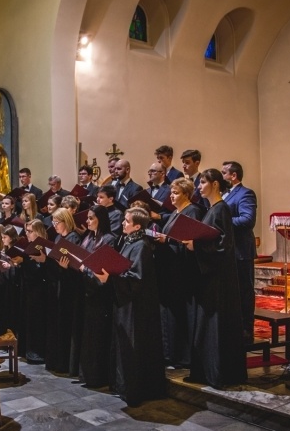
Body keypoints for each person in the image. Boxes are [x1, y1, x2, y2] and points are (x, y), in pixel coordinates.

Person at [94, 207, 166, 406]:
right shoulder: (129, 241)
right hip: (125, 303)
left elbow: (136, 278)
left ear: (137, 226)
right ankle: (122, 385)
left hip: (137, 307)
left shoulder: (141, 245)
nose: (123, 224)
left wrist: (111, 278)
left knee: (134, 346)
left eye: (126, 221)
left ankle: (136, 389)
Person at [187, 169, 247, 388]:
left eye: (202, 183)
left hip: (218, 280)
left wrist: (197, 245)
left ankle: (218, 373)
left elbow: (224, 245)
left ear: (214, 184)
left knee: (216, 325)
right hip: (209, 277)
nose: (199, 187)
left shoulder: (221, 209)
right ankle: (205, 372)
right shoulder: (211, 209)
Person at [154, 177, 202, 367]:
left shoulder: (192, 211)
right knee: (170, 314)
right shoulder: (175, 212)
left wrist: (168, 240)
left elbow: (189, 240)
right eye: (171, 193)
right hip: (170, 268)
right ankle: (170, 353)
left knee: (180, 314)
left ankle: (182, 356)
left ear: (187, 194)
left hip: (182, 270)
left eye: (175, 193)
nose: (171, 197)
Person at [77, 205, 116, 387]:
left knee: (98, 335)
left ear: (100, 219)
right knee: (88, 336)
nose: (88, 221)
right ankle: (86, 375)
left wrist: (86, 269)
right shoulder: (88, 238)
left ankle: (98, 376)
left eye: (91, 218)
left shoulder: (108, 239)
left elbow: (105, 267)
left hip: (100, 294)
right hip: (86, 291)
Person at [221, 161, 258, 342]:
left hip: (241, 250)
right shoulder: (223, 195)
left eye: (224, 173)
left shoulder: (245, 193)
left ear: (233, 175)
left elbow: (247, 220)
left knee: (244, 291)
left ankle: (246, 329)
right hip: (228, 250)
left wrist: (222, 223)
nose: (222, 177)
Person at [44, 208, 83, 375]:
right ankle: (57, 360)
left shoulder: (74, 238)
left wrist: (65, 267)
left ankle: (66, 363)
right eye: (52, 222)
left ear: (65, 221)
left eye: (56, 222)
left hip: (71, 287)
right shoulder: (59, 237)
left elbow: (76, 263)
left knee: (67, 323)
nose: (54, 226)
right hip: (59, 283)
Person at [24, 219, 48, 364]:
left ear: (38, 231)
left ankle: (39, 352)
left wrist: (42, 261)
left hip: (42, 290)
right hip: (31, 288)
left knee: (40, 321)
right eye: (27, 231)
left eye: (30, 231)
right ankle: (31, 351)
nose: (27, 234)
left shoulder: (44, 246)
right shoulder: (29, 246)